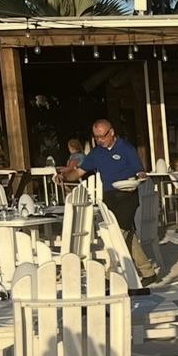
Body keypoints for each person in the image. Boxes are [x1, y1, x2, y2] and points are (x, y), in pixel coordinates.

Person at [62, 118, 157, 281]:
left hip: (128, 196)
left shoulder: (126, 148)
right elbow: (77, 173)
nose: (100, 140)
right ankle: (147, 271)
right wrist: (63, 176)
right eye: (96, 137)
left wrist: (138, 179)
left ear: (111, 132)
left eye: (103, 136)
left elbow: (141, 172)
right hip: (109, 199)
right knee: (125, 234)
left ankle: (111, 273)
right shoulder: (96, 153)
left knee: (117, 234)